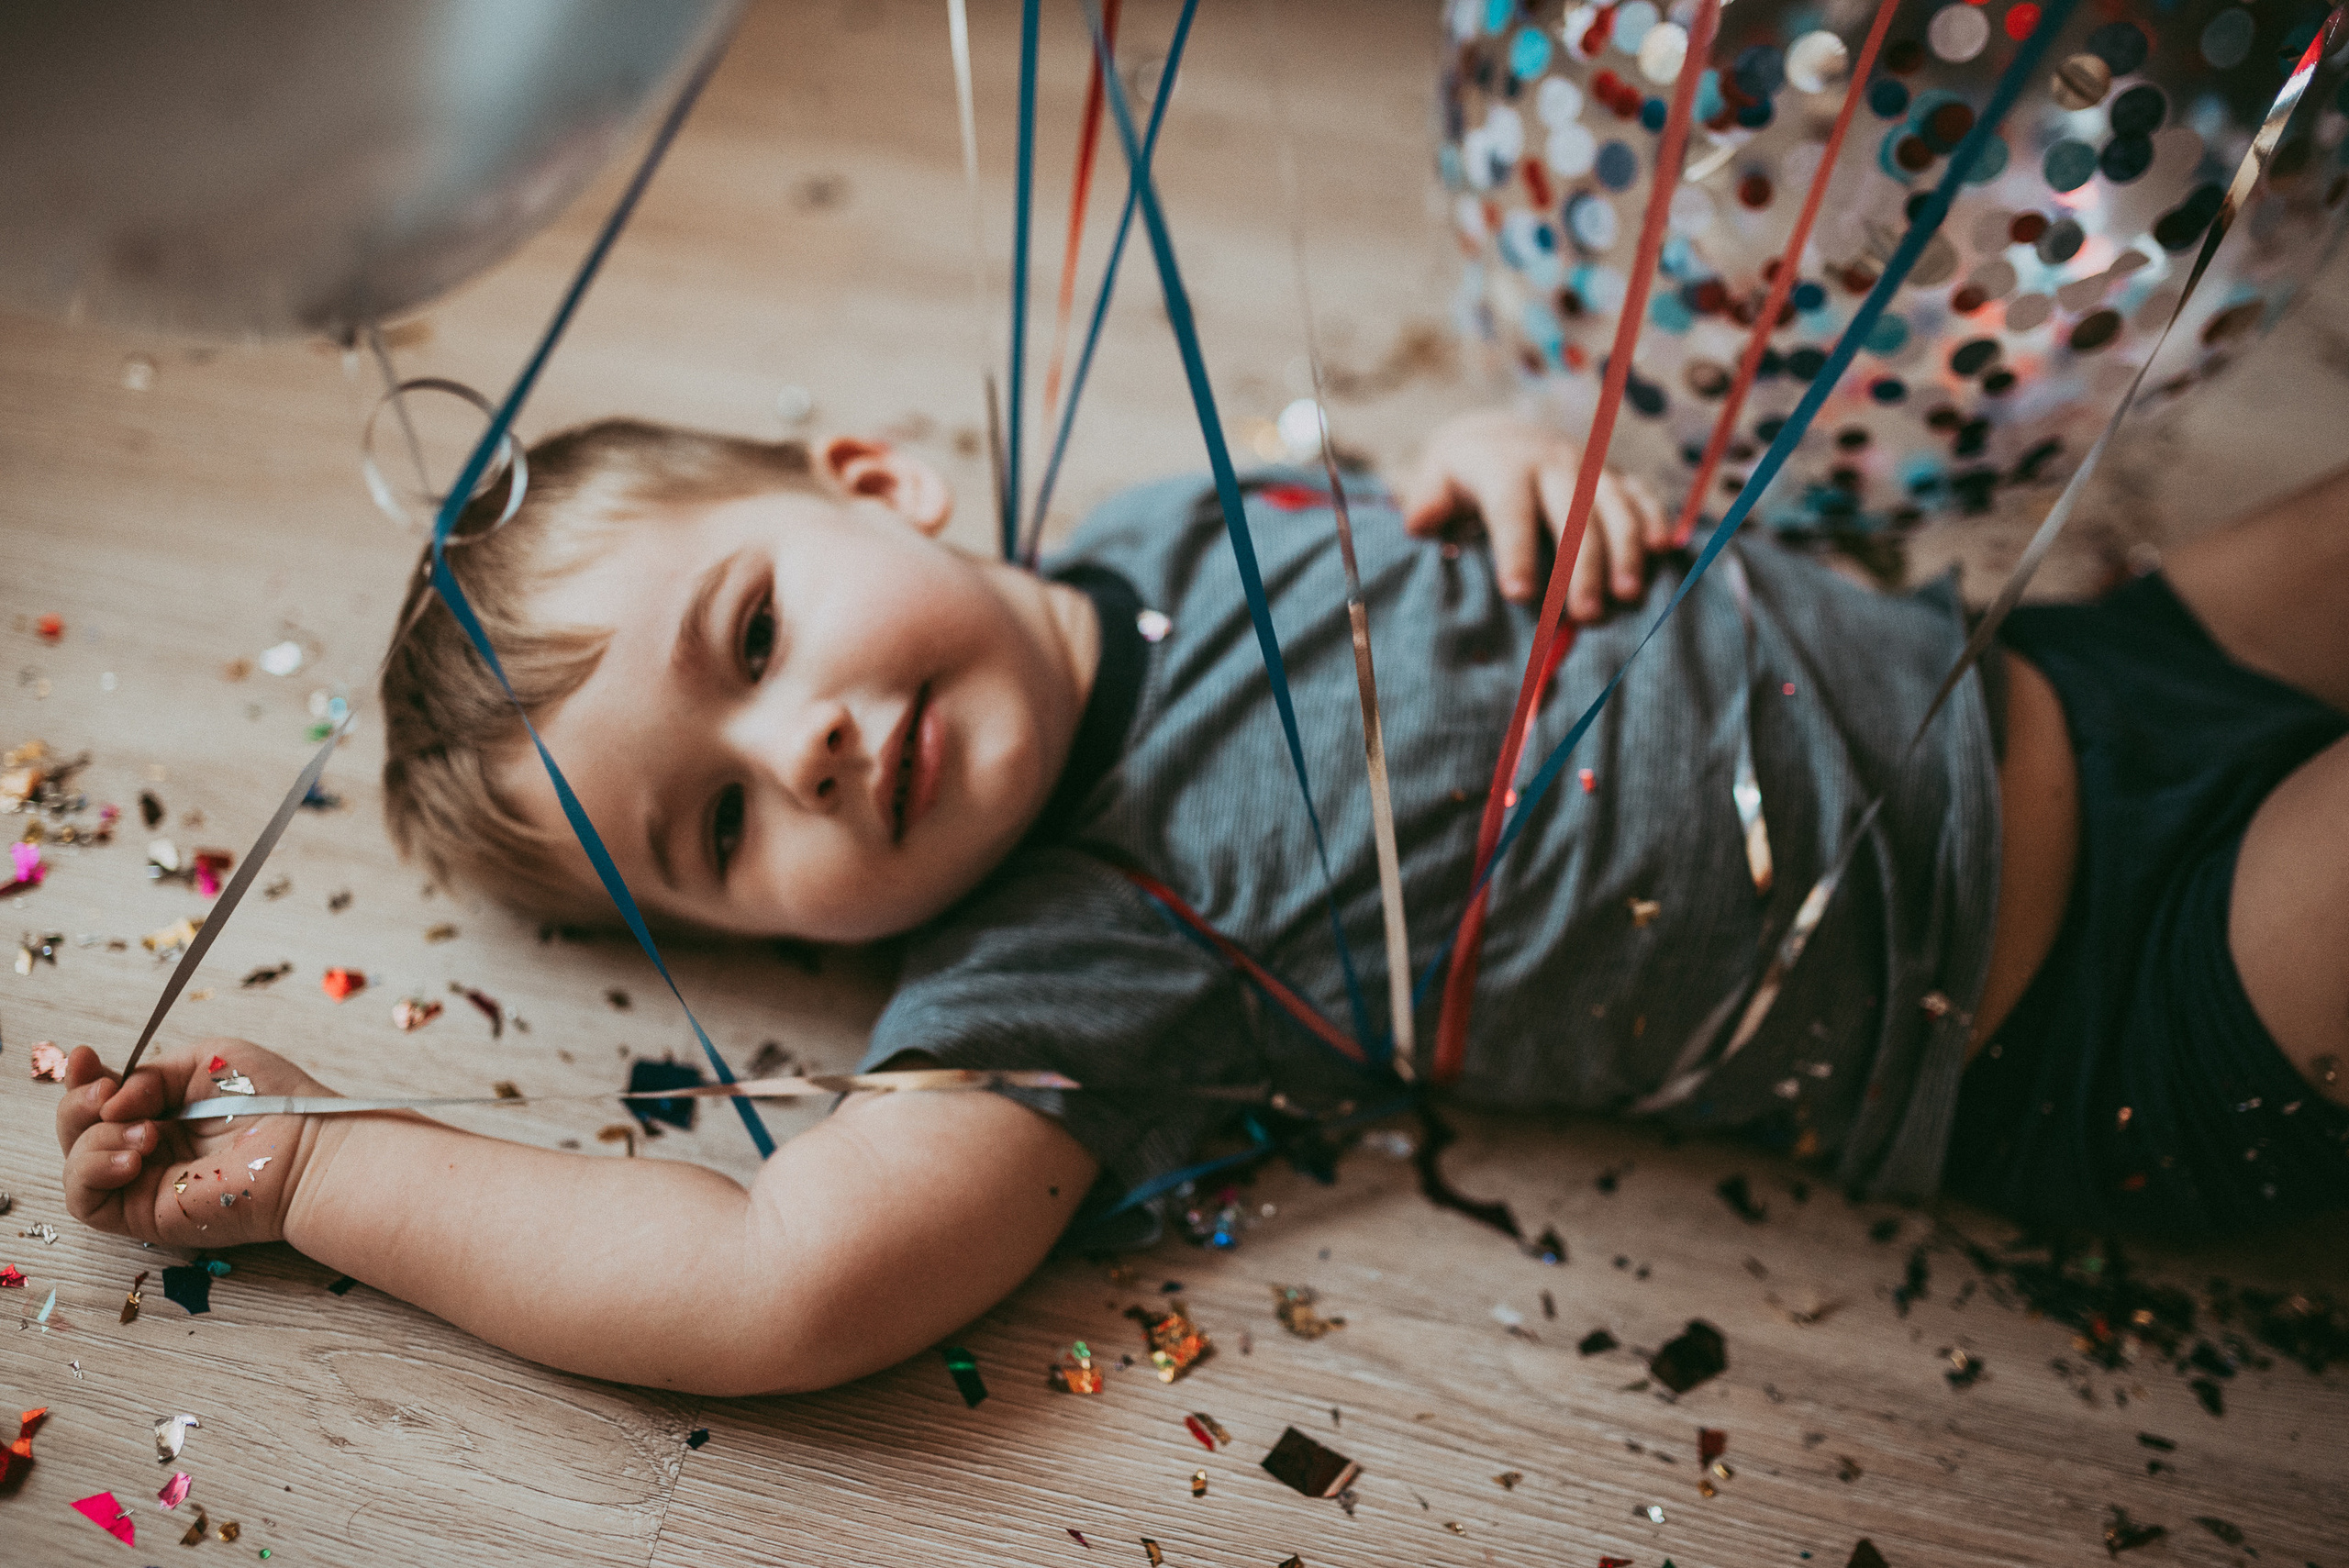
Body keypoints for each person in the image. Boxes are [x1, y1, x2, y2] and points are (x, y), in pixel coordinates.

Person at [54, 407, 2349, 1396]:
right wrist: (320, 1168)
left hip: (2055, 659)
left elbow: (1457, 552)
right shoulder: (1069, 960)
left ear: (875, 479)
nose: (809, 749)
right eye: (724, 832)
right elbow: (777, 1280)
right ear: (757, 950)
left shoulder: (1183, 510)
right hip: (2090, 1008)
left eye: (751, 644)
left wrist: (1495, 468)